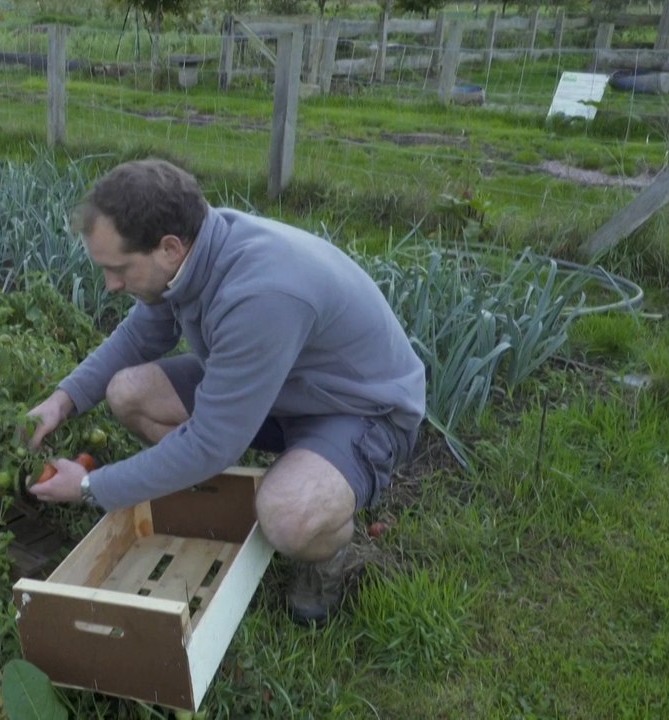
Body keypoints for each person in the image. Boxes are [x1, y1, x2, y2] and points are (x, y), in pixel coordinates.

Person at [26, 158, 426, 626]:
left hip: (357, 409)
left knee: (286, 515)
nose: (112, 285)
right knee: (129, 392)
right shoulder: (193, 256)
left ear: (169, 248)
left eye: (119, 269)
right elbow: (138, 339)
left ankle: (326, 552)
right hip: (278, 388)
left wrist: (93, 486)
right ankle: (228, 490)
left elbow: (209, 443)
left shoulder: (260, 294)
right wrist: (62, 400)